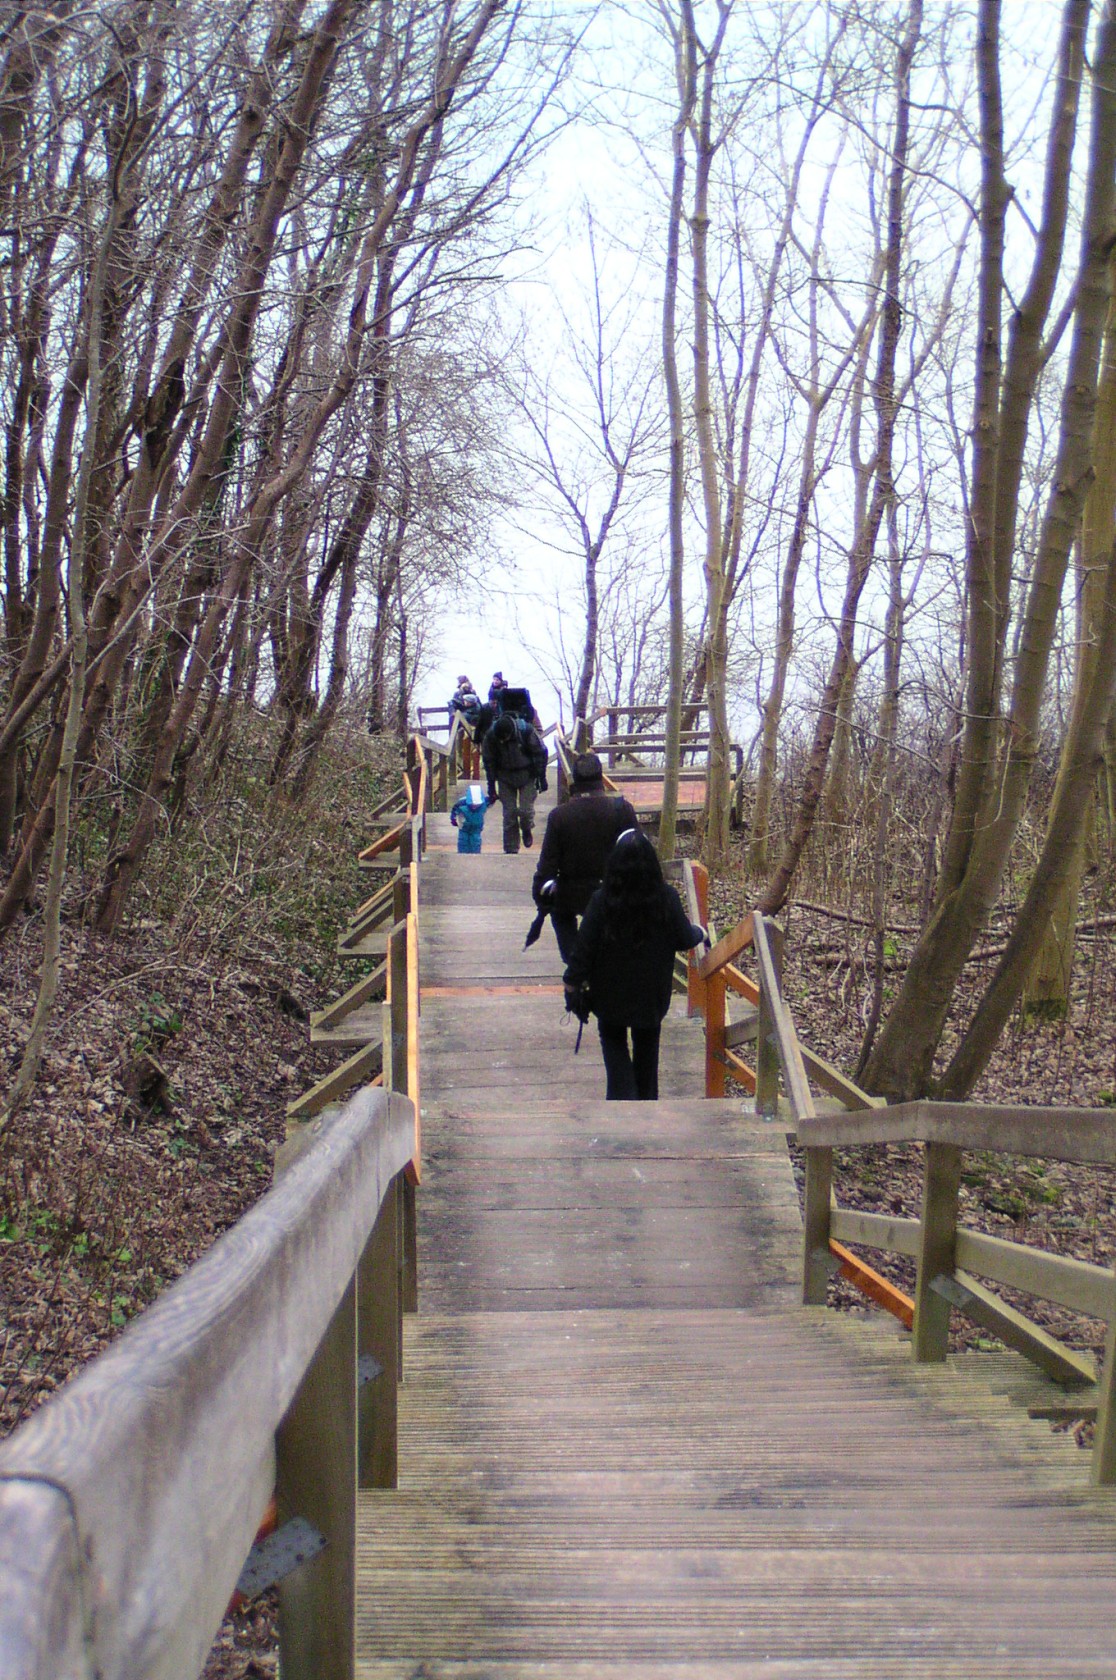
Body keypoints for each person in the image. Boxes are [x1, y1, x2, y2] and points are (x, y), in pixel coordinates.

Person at [563, 830, 705, 1101]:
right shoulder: (666, 897)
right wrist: (701, 932)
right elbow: (684, 938)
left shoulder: (601, 901)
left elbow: (583, 950)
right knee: (647, 1049)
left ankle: (622, 1099)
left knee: (613, 1042)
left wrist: (571, 985)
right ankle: (646, 1101)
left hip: (609, 997)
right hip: (651, 997)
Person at [532, 753, 637, 962]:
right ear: (600, 777)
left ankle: (574, 961)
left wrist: (540, 896)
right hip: (613, 891)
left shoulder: (559, 815)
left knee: (560, 913)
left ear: (574, 779)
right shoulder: (622, 810)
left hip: (572, 892)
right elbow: (639, 853)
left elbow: (548, 866)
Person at [482, 710, 548, 853]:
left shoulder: (526, 731)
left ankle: (526, 828)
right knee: (509, 813)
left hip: (527, 774)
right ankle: (511, 848)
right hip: (504, 776)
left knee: (525, 811)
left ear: (510, 733)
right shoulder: (491, 737)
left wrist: (542, 778)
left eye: (504, 739)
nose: (502, 741)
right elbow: (489, 763)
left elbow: (541, 752)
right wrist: (491, 787)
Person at [450, 783, 487, 853]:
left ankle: (475, 854)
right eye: (472, 804)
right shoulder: (461, 803)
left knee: (476, 841)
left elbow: (491, 800)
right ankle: (463, 854)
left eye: (477, 805)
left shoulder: (484, 803)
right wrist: (453, 819)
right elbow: (454, 811)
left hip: (477, 827)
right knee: (463, 841)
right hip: (464, 826)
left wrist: (494, 796)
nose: (474, 807)